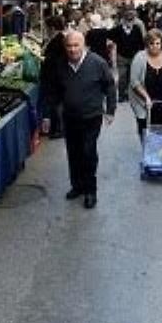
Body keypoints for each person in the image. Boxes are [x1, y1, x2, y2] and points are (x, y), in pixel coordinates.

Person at [39, 31, 116, 209]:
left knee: (88, 152)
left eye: (76, 45)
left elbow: (109, 87)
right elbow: (53, 92)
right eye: (69, 46)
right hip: (70, 117)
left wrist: (110, 110)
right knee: (73, 152)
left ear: (84, 45)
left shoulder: (97, 63)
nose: (73, 49)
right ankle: (77, 186)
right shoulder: (60, 65)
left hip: (92, 116)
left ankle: (90, 191)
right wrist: (47, 115)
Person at [128, 29, 162, 142]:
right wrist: (146, 97)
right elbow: (134, 81)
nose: (154, 46)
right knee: (144, 127)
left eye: (158, 43)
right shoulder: (140, 58)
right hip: (142, 99)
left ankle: (159, 151)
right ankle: (147, 151)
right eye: (151, 43)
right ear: (147, 44)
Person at [109, 7, 146, 103]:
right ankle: (121, 95)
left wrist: (141, 54)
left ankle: (131, 94)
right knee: (122, 76)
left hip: (134, 56)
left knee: (133, 76)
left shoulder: (138, 27)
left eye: (131, 14)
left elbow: (142, 41)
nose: (129, 17)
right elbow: (110, 37)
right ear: (124, 17)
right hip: (121, 56)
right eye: (127, 14)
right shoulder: (118, 27)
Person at [40, 16, 68, 139]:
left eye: (46, 27)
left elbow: (57, 59)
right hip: (54, 76)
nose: (45, 29)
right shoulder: (56, 38)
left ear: (52, 27)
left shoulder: (59, 40)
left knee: (56, 103)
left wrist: (44, 59)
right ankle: (56, 128)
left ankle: (59, 129)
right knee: (55, 103)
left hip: (55, 77)